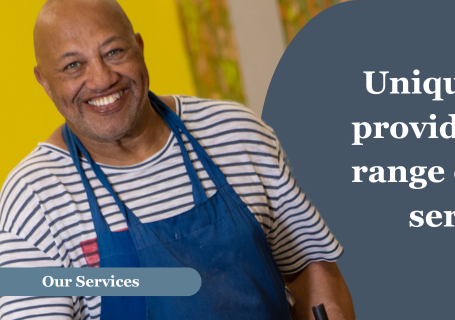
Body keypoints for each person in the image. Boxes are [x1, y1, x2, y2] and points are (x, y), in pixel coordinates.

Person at [0, 0, 356, 319]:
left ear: (139, 47)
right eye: (73, 65)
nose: (102, 78)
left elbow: (312, 269)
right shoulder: (35, 200)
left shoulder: (236, 133)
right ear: (44, 81)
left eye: (113, 52)